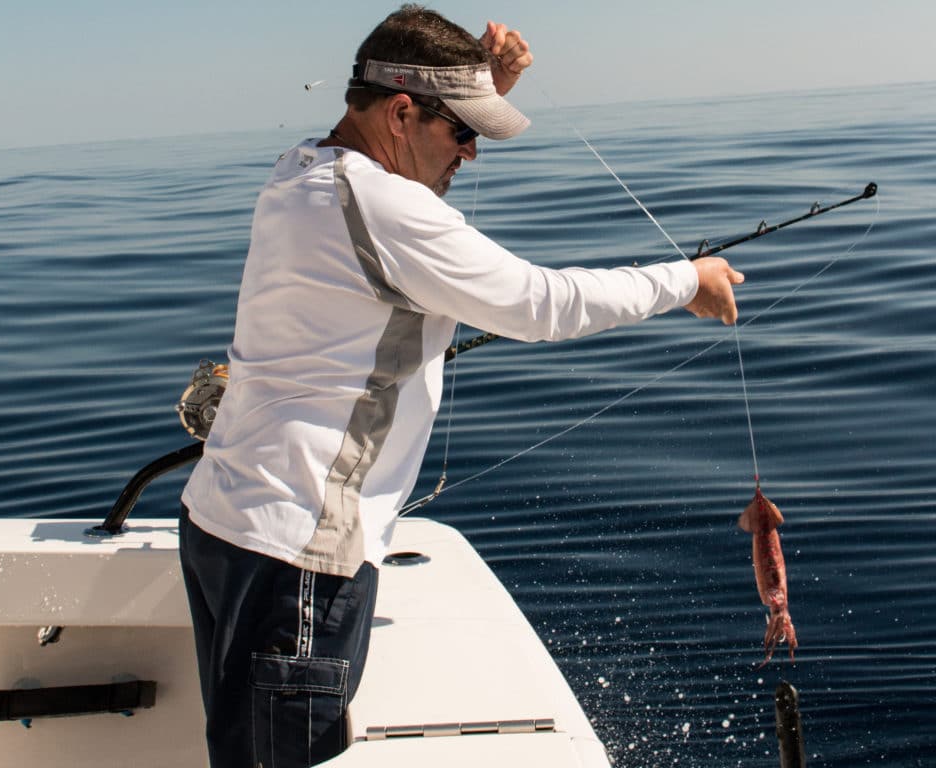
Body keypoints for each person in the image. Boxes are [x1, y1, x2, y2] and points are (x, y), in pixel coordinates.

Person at [179, 5, 744, 768]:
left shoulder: (305, 171)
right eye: (463, 132)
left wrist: (480, 88)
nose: (473, 155)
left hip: (228, 522)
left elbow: (401, 214)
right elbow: (541, 305)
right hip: (300, 556)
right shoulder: (382, 205)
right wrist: (687, 280)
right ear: (402, 112)